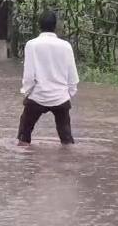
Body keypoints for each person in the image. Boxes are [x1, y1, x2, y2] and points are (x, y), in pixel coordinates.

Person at [17, 10, 79, 146]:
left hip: (38, 95)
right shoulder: (66, 46)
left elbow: (29, 76)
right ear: (55, 26)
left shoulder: (32, 45)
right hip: (61, 97)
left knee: (24, 133)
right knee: (66, 138)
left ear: (39, 25)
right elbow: (73, 76)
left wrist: (26, 92)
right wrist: (68, 93)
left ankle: (23, 162)